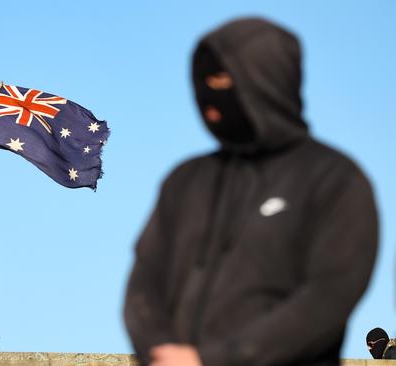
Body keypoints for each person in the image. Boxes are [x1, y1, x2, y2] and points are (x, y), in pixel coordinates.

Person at [124, 17, 378, 366]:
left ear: (265, 80)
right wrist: (161, 353)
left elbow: (330, 295)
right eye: (201, 82)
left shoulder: (334, 179)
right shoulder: (185, 181)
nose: (208, 97)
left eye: (220, 80)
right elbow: (145, 281)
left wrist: (214, 360)